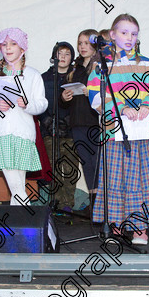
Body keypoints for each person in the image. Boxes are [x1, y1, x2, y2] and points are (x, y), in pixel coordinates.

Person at [87, 14, 149, 245]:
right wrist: (121, 108)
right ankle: (116, 227)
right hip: (114, 134)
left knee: (141, 181)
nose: (129, 38)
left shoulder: (146, 63)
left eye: (133, 33)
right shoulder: (101, 65)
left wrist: (148, 106)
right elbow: (95, 97)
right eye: (124, 33)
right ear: (112, 35)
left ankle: (139, 229)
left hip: (141, 134)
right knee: (114, 182)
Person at [0, 27, 48, 207]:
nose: (8, 48)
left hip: (23, 133)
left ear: (22, 48)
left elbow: (42, 103)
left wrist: (27, 104)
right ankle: (23, 220)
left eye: (13, 44)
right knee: (15, 184)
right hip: (2, 133)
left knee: (18, 183)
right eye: (4, 44)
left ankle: (20, 220)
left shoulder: (32, 75)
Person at [61, 30, 101, 210]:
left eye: (87, 43)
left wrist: (91, 92)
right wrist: (65, 96)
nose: (83, 46)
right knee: (86, 162)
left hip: (94, 120)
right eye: (80, 43)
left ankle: (102, 202)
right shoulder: (75, 68)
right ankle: (93, 202)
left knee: (97, 160)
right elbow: (66, 100)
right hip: (77, 121)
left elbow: (108, 93)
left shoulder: (100, 65)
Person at [40, 41, 78, 209]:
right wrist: (48, 122)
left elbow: (82, 104)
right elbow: (38, 104)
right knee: (53, 170)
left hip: (71, 131)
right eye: (60, 53)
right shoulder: (44, 78)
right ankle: (55, 204)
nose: (63, 57)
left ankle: (68, 205)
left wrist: (70, 121)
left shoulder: (77, 77)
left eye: (67, 54)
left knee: (70, 169)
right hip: (49, 131)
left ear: (72, 57)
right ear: (54, 56)